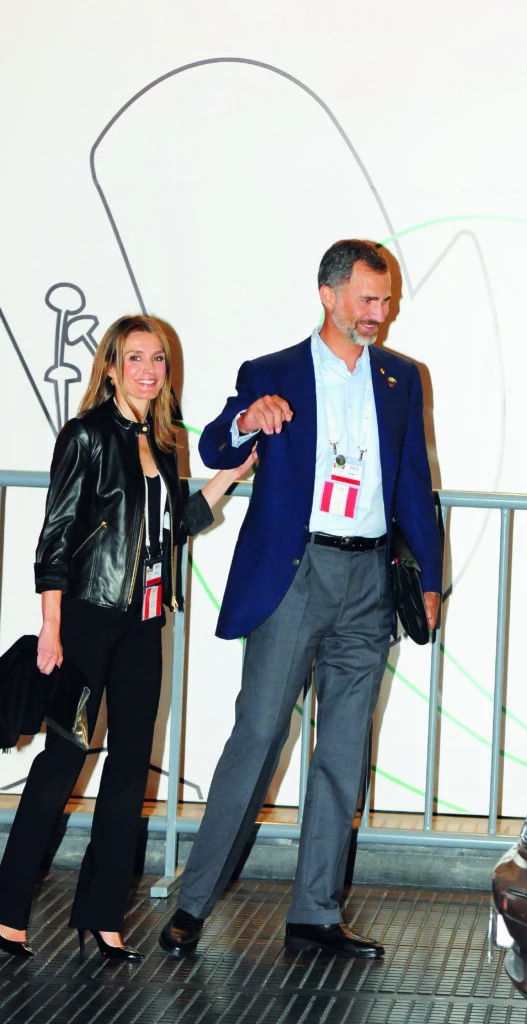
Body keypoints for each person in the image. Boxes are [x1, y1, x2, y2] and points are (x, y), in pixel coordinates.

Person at [159, 239, 442, 960]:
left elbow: (415, 483)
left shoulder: (402, 379)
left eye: (387, 301)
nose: (379, 313)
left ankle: (315, 912)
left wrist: (430, 579)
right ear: (329, 295)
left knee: (343, 751)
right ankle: (193, 902)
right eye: (367, 299)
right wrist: (247, 420)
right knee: (257, 736)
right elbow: (216, 449)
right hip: (295, 575)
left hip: (369, 580)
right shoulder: (272, 372)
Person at [0, 314, 255, 961]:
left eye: (158, 359)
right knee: (62, 762)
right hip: (85, 620)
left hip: (145, 622)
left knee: (129, 769)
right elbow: (56, 537)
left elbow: (176, 524)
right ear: (110, 368)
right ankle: (6, 912)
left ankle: (103, 915)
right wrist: (51, 628)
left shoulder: (163, 441)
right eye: (135, 357)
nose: (149, 369)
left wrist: (228, 477)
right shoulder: (85, 436)